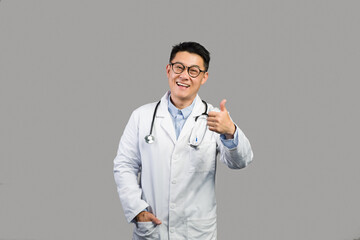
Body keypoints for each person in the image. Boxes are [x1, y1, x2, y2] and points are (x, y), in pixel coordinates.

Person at [113, 42, 253, 240]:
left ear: (204, 77)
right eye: (179, 67)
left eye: (194, 71)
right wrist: (136, 210)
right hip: (153, 229)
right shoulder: (141, 117)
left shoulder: (215, 118)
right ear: (168, 70)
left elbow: (240, 162)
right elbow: (124, 165)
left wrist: (230, 132)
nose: (184, 75)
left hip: (197, 232)